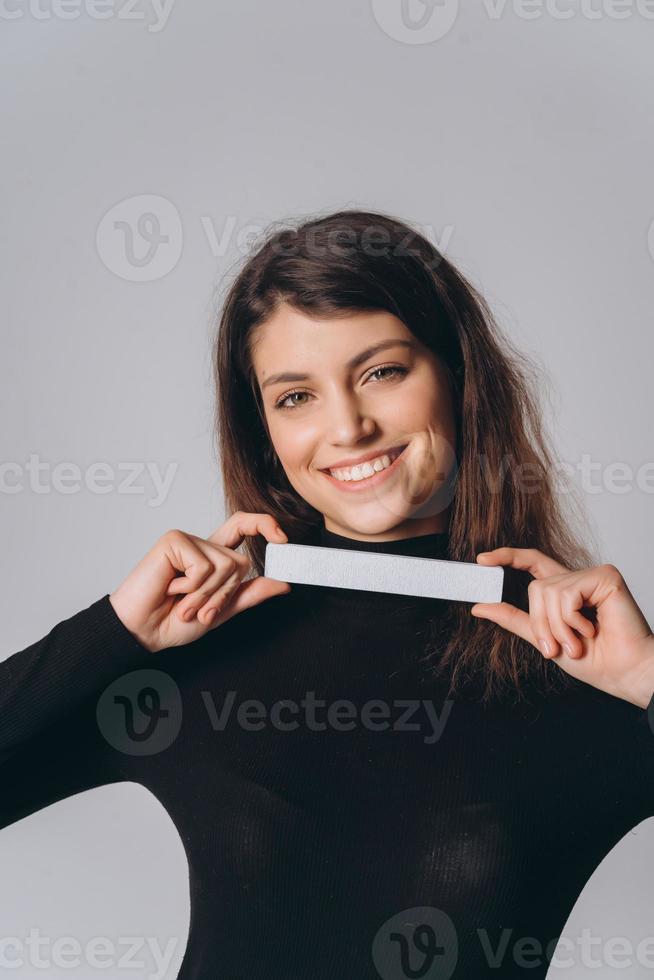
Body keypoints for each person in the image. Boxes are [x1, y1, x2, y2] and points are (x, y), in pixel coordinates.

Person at [1, 209, 653, 979]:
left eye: (383, 371)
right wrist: (112, 635)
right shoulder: (200, 651)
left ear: (456, 376)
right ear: (265, 430)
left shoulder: (576, 666)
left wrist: (647, 681)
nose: (349, 427)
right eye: (295, 397)